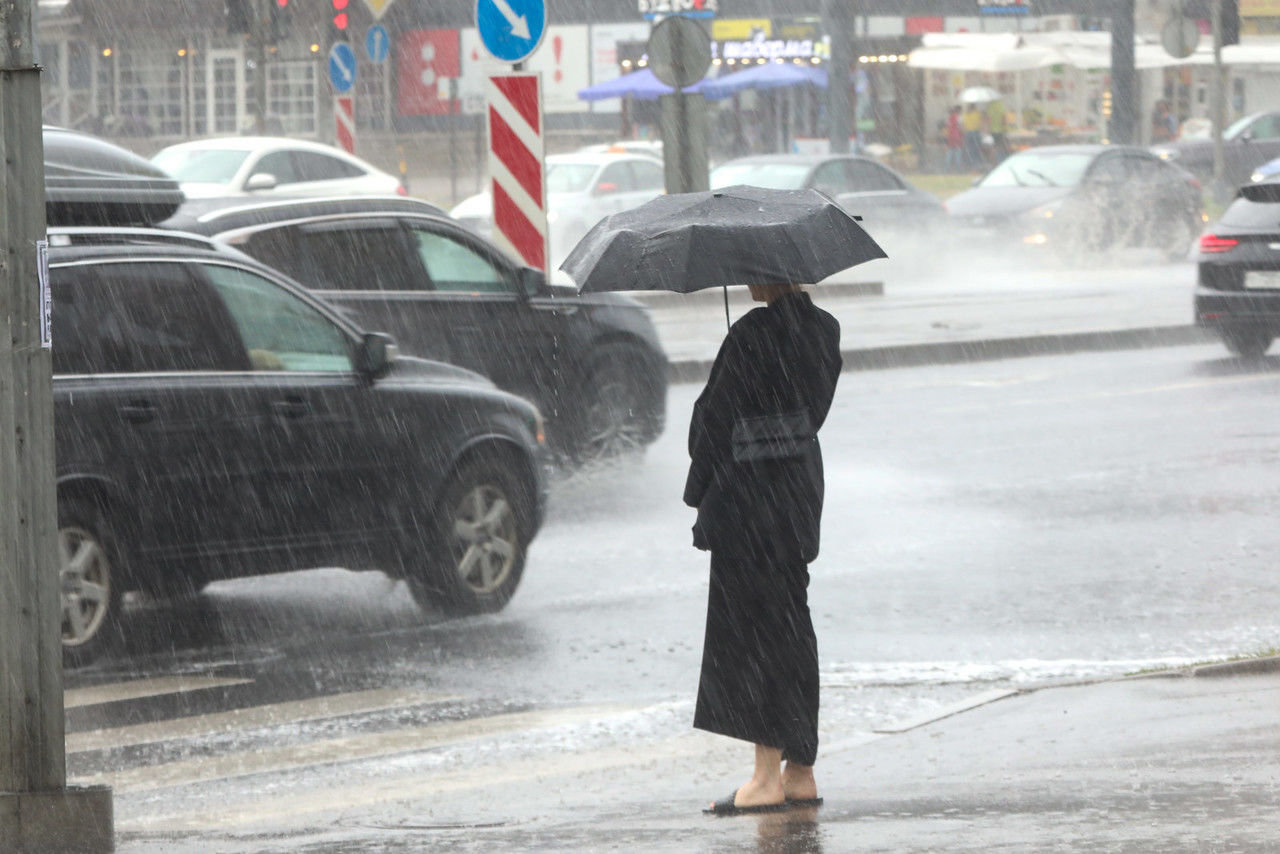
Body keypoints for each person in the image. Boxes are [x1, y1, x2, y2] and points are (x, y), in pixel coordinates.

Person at [685, 282, 842, 816]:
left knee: (756, 635)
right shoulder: (824, 331)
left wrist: (697, 489)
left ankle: (764, 778)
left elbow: (712, 423)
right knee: (792, 625)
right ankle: (800, 770)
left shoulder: (750, 333)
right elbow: (810, 413)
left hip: (748, 498)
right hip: (797, 494)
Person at [962, 102, 984, 170]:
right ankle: (977, 164)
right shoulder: (977, 113)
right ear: (974, 107)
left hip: (968, 133)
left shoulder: (965, 114)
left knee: (970, 149)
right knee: (977, 148)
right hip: (976, 132)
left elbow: (963, 124)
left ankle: (970, 163)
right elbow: (980, 123)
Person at [945, 106, 964, 173]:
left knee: (949, 152)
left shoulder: (949, 119)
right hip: (957, 136)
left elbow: (947, 127)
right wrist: (962, 134)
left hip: (950, 136)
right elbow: (961, 127)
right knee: (958, 153)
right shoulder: (959, 117)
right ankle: (959, 169)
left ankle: (947, 168)